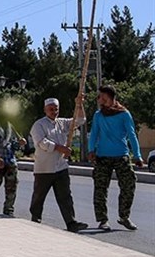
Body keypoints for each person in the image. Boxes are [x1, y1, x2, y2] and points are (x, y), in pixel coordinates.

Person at [88, 85, 144, 231]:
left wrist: (137, 156)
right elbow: (94, 133)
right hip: (102, 156)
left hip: (121, 155)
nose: (99, 99)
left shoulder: (124, 114)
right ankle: (102, 220)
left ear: (110, 98)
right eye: (99, 97)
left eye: (102, 97)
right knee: (100, 188)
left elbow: (132, 135)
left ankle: (124, 216)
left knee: (129, 184)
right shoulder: (98, 115)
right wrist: (91, 150)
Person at [29, 96, 88, 233]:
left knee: (65, 196)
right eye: (51, 109)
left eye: (56, 109)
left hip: (60, 166)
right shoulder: (38, 125)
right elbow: (42, 142)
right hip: (44, 168)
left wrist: (79, 105)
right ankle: (35, 218)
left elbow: (80, 120)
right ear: (45, 110)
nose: (54, 112)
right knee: (39, 196)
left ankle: (71, 222)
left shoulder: (62, 123)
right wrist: (59, 148)